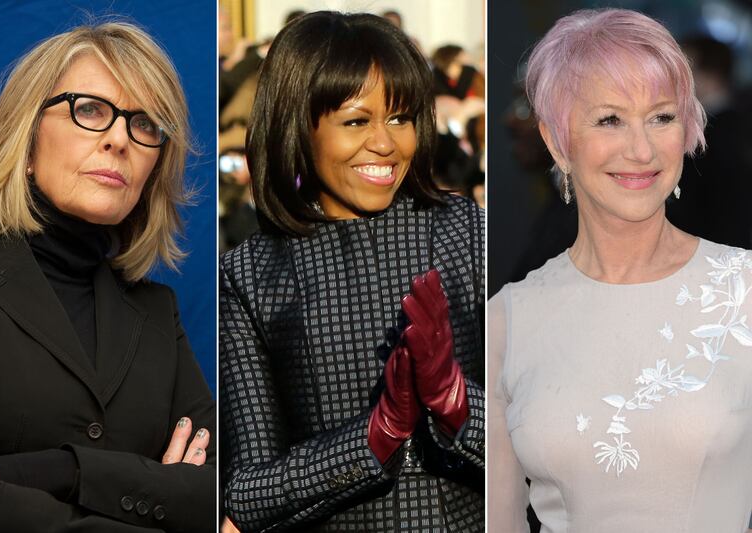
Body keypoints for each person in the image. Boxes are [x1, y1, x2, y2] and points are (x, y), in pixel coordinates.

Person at [488, 8, 752, 532]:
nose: (641, 149)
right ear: (557, 141)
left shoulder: (743, 291)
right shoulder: (508, 320)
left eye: (662, 117)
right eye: (610, 119)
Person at [219, 11, 484, 532]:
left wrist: (458, 403)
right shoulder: (249, 274)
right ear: (299, 125)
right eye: (357, 122)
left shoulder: (467, 233)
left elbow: (547, 433)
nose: (385, 144)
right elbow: (247, 494)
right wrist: (374, 437)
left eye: (401, 118)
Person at [0, 22, 215, 532]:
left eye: (145, 124)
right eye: (90, 109)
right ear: (26, 140)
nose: (119, 139)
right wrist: (157, 490)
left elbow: (218, 493)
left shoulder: (157, 311)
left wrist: (64, 470)